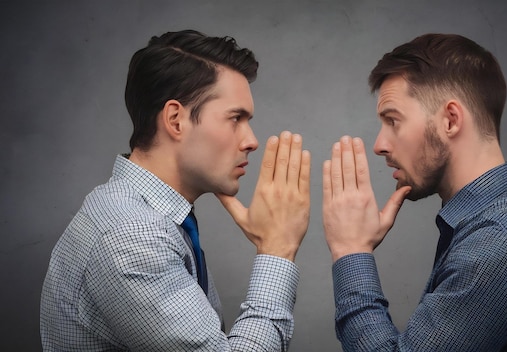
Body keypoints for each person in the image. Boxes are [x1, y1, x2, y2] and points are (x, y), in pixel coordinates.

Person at [40, 30, 311, 351]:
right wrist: (277, 249)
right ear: (176, 119)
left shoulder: (144, 213)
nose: (251, 140)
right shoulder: (132, 237)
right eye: (235, 118)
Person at [322, 33, 507, 351]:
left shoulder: (497, 245)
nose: (379, 144)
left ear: (450, 120)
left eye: (393, 121)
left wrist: (351, 249)